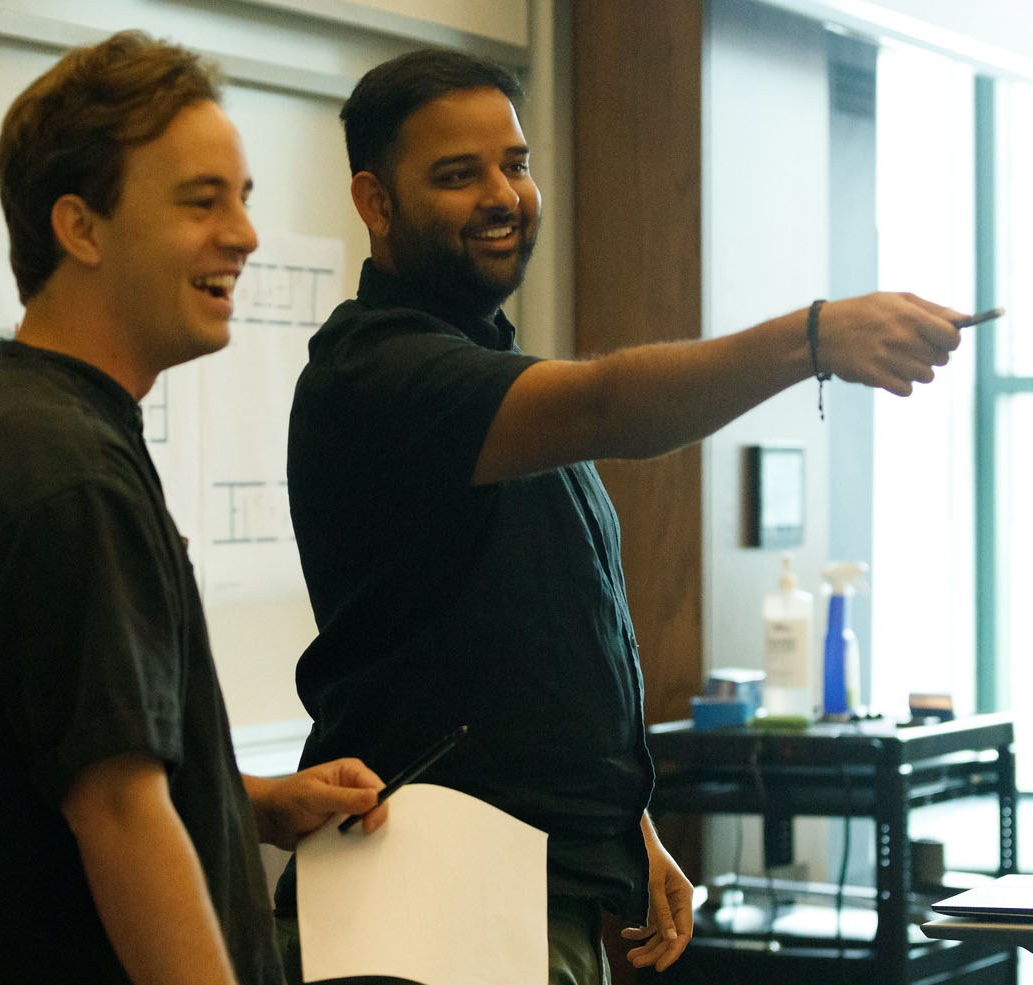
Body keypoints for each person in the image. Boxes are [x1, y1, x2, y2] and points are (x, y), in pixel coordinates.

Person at [276, 48, 967, 984]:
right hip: (420, 885)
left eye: (516, 164)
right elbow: (608, 406)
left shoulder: (484, 378)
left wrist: (624, 825)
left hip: (515, 882)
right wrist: (814, 338)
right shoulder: (380, 374)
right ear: (375, 201)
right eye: (456, 173)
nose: (503, 194)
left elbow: (527, 640)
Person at [0, 31, 388, 985]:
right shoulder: (64, 474)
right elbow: (118, 814)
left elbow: (64, 763)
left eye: (243, 199)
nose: (244, 233)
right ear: (82, 227)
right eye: (201, 201)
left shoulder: (31, 433)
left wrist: (249, 804)